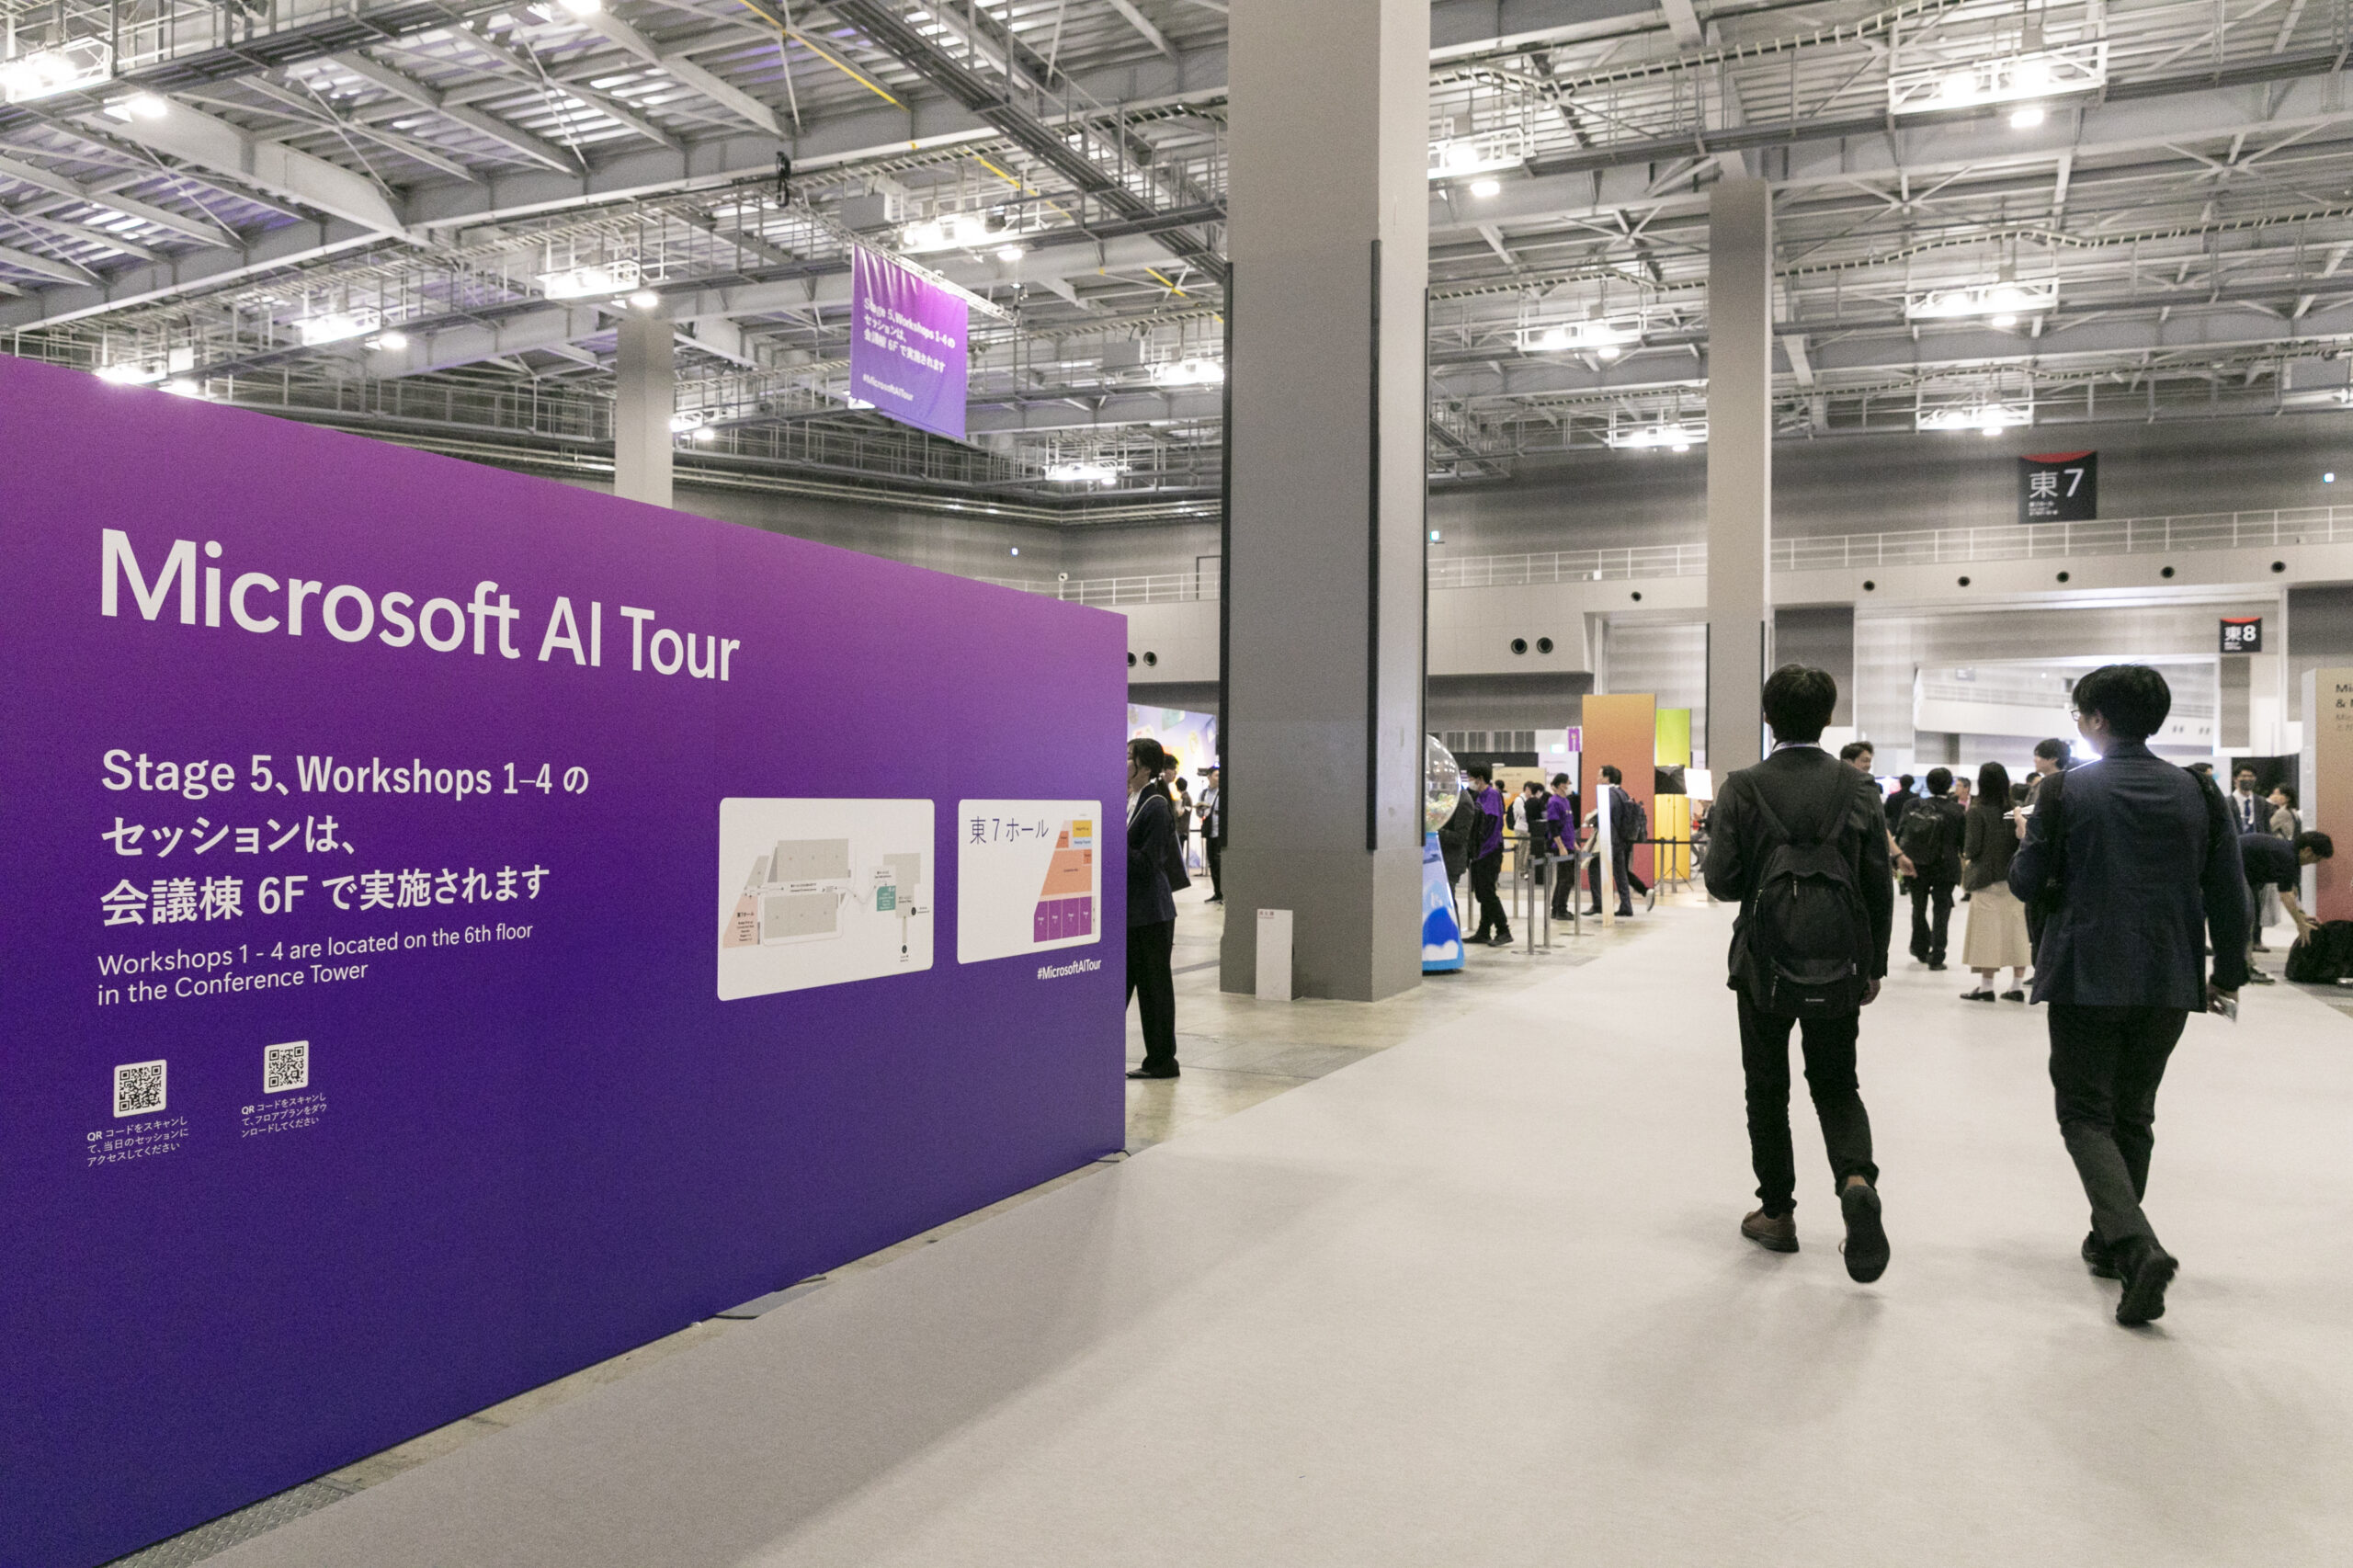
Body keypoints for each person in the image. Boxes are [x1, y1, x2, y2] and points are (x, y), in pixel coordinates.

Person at [2010, 664, 2248, 1327]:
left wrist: (2027, 836)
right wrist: (2228, 972)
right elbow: (2228, 893)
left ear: (2096, 720)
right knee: (2135, 1112)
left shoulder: (2063, 791)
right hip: (2170, 974)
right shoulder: (2200, 792)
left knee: (2084, 1115)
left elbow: (2028, 884)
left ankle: (2136, 1245)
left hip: (2088, 971)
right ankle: (2110, 1239)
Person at [1701, 665, 1894, 1280]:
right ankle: (1856, 1178)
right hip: (1839, 962)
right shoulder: (1859, 787)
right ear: (1830, 719)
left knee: (1767, 1088)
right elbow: (1877, 885)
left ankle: (1777, 1214)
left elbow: (1724, 882)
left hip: (1763, 962)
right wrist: (1874, 964)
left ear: (1767, 716)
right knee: (1837, 1083)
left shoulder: (1743, 787)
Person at [1124, 737, 1186, 1080]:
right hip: (1133, 913)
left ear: (1144, 767)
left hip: (1151, 914)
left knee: (1154, 989)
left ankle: (1163, 1061)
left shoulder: (1156, 806)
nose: (1122, 763)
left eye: (1128, 757)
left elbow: (1148, 863)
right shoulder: (1131, 800)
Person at [1959, 760, 2030, 1001]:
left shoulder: (1977, 811)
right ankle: (2017, 985)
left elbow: (1971, 848)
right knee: (2016, 932)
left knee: (1986, 933)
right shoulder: (2016, 810)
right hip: (2013, 878)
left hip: (1985, 879)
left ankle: (1987, 986)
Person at [2238, 830, 2333, 982]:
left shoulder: (2291, 853)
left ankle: (2243, 967)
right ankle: (2243, 968)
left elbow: (2292, 891)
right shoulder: (2287, 857)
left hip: (2241, 872)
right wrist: (2300, 923)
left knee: (2247, 918)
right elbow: (2285, 895)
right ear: (2308, 850)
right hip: (2230, 869)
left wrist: (2301, 915)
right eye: (2316, 860)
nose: (2313, 864)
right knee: (2245, 919)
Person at [1895, 767, 1965, 970]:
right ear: (1949, 785)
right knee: (1942, 910)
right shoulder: (1956, 810)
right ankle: (1938, 955)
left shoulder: (1913, 805)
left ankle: (1919, 947)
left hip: (1916, 864)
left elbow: (1901, 832)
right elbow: (1962, 842)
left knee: (1918, 907)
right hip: (1945, 866)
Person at [2022, 739, 2072, 968]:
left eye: (2039, 755)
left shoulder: (2058, 786)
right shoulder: (2042, 784)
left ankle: (2042, 968)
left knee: (2041, 924)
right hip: (2046, 862)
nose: (2035, 759)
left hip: (2046, 863)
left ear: (2053, 758)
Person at [1586, 764, 1642, 917]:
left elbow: (1605, 814)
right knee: (1620, 873)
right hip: (1622, 839)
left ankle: (1598, 904)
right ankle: (1626, 905)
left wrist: (1592, 820)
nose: (1597, 779)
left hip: (1609, 839)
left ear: (1607, 778)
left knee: (1594, 867)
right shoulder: (1623, 793)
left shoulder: (1608, 794)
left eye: (1600, 776)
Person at [1464, 763, 1511, 947]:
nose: (1470, 781)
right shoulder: (1480, 796)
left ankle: (1503, 930)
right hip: (1480, 852)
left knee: (1488, 892)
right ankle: (1484, 931)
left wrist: (1482, 851)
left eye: (1471, 777)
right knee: (1482, 893)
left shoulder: (1491, 795)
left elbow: (1491, 825)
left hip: (1489, 852)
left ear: (1480, 778)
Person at [1546, 774, 1579, 921]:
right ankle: (1560, 909)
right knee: (1566, 878)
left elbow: (1569, 824)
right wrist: (1561, 846)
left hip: (1569, 843)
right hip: (1561, 845)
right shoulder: (1554, 802)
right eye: (1567, 783)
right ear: (1561, 785)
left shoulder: (1566, 801)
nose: (1569, 785)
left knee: (1565, 878)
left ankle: (1557, 907)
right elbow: (1553, 827)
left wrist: (1574, 843)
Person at [1197, 767, 1223, 903]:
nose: (1219, 778)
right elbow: (1199, 814)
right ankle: (1217, 892)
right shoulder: (1204, 794)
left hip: (1221, 832)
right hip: (1209, 832)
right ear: (1209, 777)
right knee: (1212, 863)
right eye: (1216, 775)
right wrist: (1200, 810)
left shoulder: (1223, 792)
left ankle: (1224, 893)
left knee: (1220, 864)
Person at [2229, 765, 2266, 835]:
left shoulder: (2262, 802)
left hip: (2258, 842)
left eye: (2251, 776)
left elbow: (2266, 827)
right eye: (2244, 776)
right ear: (2235, 779)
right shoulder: (2228, 803)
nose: (2247, 779)